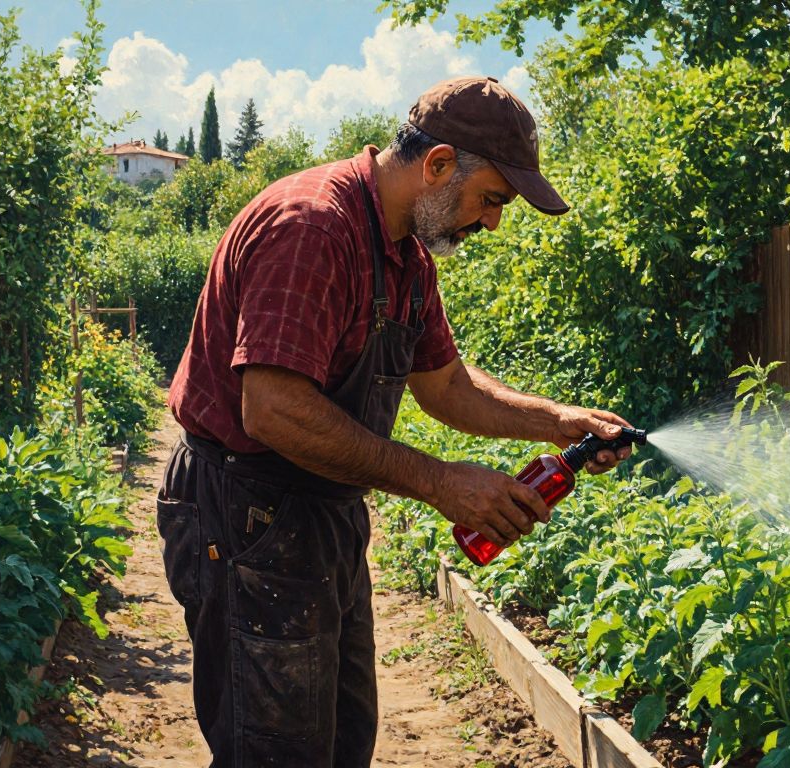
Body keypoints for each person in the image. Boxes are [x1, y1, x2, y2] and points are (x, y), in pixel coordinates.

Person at [155, 76, 633, 767]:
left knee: (342, 740)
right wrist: (438, 481)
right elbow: (274, 409)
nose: (494, 222)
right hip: (245, 512)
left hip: (322, 513)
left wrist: (556, 421)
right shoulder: (312, 226)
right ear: (438, 165)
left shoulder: (407, 256)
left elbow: (447, 387)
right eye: (493, 199)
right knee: (276, 752)